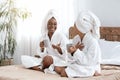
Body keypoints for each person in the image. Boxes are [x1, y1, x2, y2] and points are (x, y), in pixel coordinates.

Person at [54, 10, 102, 78]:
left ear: (81, 28)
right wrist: (71, 52)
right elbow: (71, 58)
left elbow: (89, 61)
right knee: (56, 67)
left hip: (90, 66)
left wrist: (75, 51)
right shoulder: (76, 39)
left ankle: (93, 71)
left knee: (64, 73)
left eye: (75, 25)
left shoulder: (93, 42)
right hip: (79, 64)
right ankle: (69, 70)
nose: (73, 27)